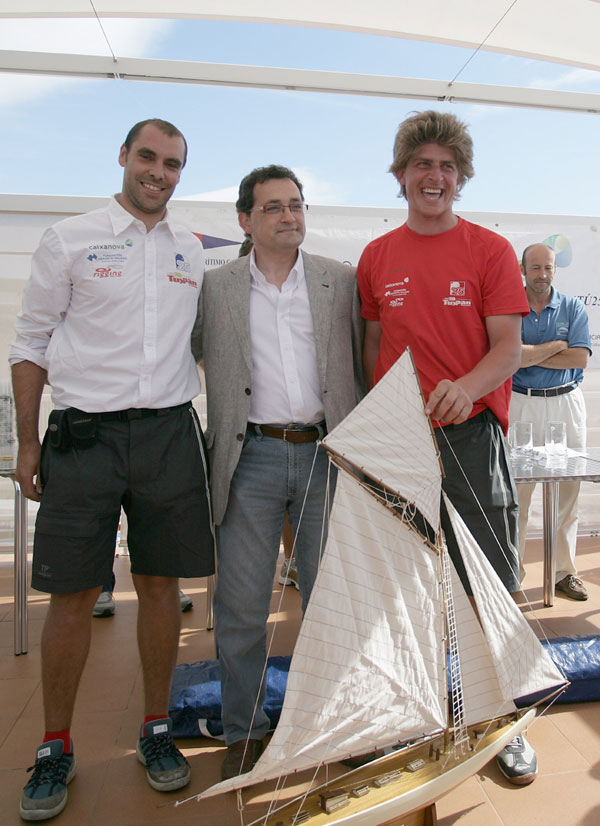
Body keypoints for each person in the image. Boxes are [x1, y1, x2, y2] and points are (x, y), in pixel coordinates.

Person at [10, 119, 214, 821]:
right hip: (83, 438)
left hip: (166, 436)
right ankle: (55, 745)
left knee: (161, 588)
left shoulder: (191, 248)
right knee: (71, 596)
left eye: (173, 164)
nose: (160, 172)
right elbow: (31, 342)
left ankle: (156, 732)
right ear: (124, 158)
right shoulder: (71, 238)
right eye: (149, 158)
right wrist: (28, 443)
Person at [357, 110, 537, 786]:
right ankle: (420, 714)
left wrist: (465, 388)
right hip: (399, 443)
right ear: (401, 175)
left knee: (489, 581)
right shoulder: (377, 258)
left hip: (470, 436)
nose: (434, 177)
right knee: (401, 589)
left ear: (461, 178)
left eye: (446, 167)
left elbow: (509, 350)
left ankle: (502, 723)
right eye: (421, 164)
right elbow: (372, 349)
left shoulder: (489, 250)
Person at [192, 164, 364, 779]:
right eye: (273, 207)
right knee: (241, 605)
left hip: (325, 453)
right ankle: (244, 729)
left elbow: (363, 365)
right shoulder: (216, 290)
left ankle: (339, 720)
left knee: (332, 599)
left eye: (296, 204)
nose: (289, 215)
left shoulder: (339, 282)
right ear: (245, 220)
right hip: (251, 458)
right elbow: (186, 356)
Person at [510, 243, 591, 600]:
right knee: (516, 496)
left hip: (565, 404)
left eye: (548, 268)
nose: (542, 275)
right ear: (522, 269)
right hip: (522, 405)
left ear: (554, 270)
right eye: (535, 268)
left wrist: (531, 356)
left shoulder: (573, 307)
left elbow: (581, 358)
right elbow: (510, 357)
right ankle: (513, 572)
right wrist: (554, 347)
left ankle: (564, 572)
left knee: (567, 495)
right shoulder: (510, 305)